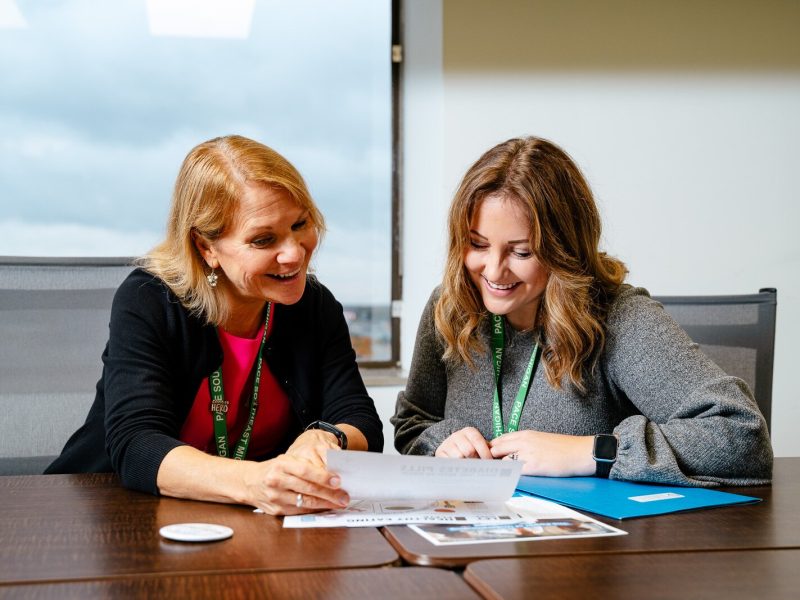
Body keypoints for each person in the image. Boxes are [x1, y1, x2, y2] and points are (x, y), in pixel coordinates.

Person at [392, 136, 772, 486]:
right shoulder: (451, 305)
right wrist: (444, 442)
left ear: (564, 249)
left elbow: (742, 436)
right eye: (478, 245)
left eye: (521, 252)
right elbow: (414, 422)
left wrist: (591, 452)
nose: (493, 271)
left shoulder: (620, 318)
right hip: (480, 528)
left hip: (593, 534)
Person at [46, 135, 383, 514]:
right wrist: (256, 481)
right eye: (263, 240)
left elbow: (361, 421)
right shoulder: (149, 300)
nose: (294, 253)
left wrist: (327, 438)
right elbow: (137, 444)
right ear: (206, 248)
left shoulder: (314, 306)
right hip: (115, 512)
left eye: (300, 224)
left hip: (251, 520)